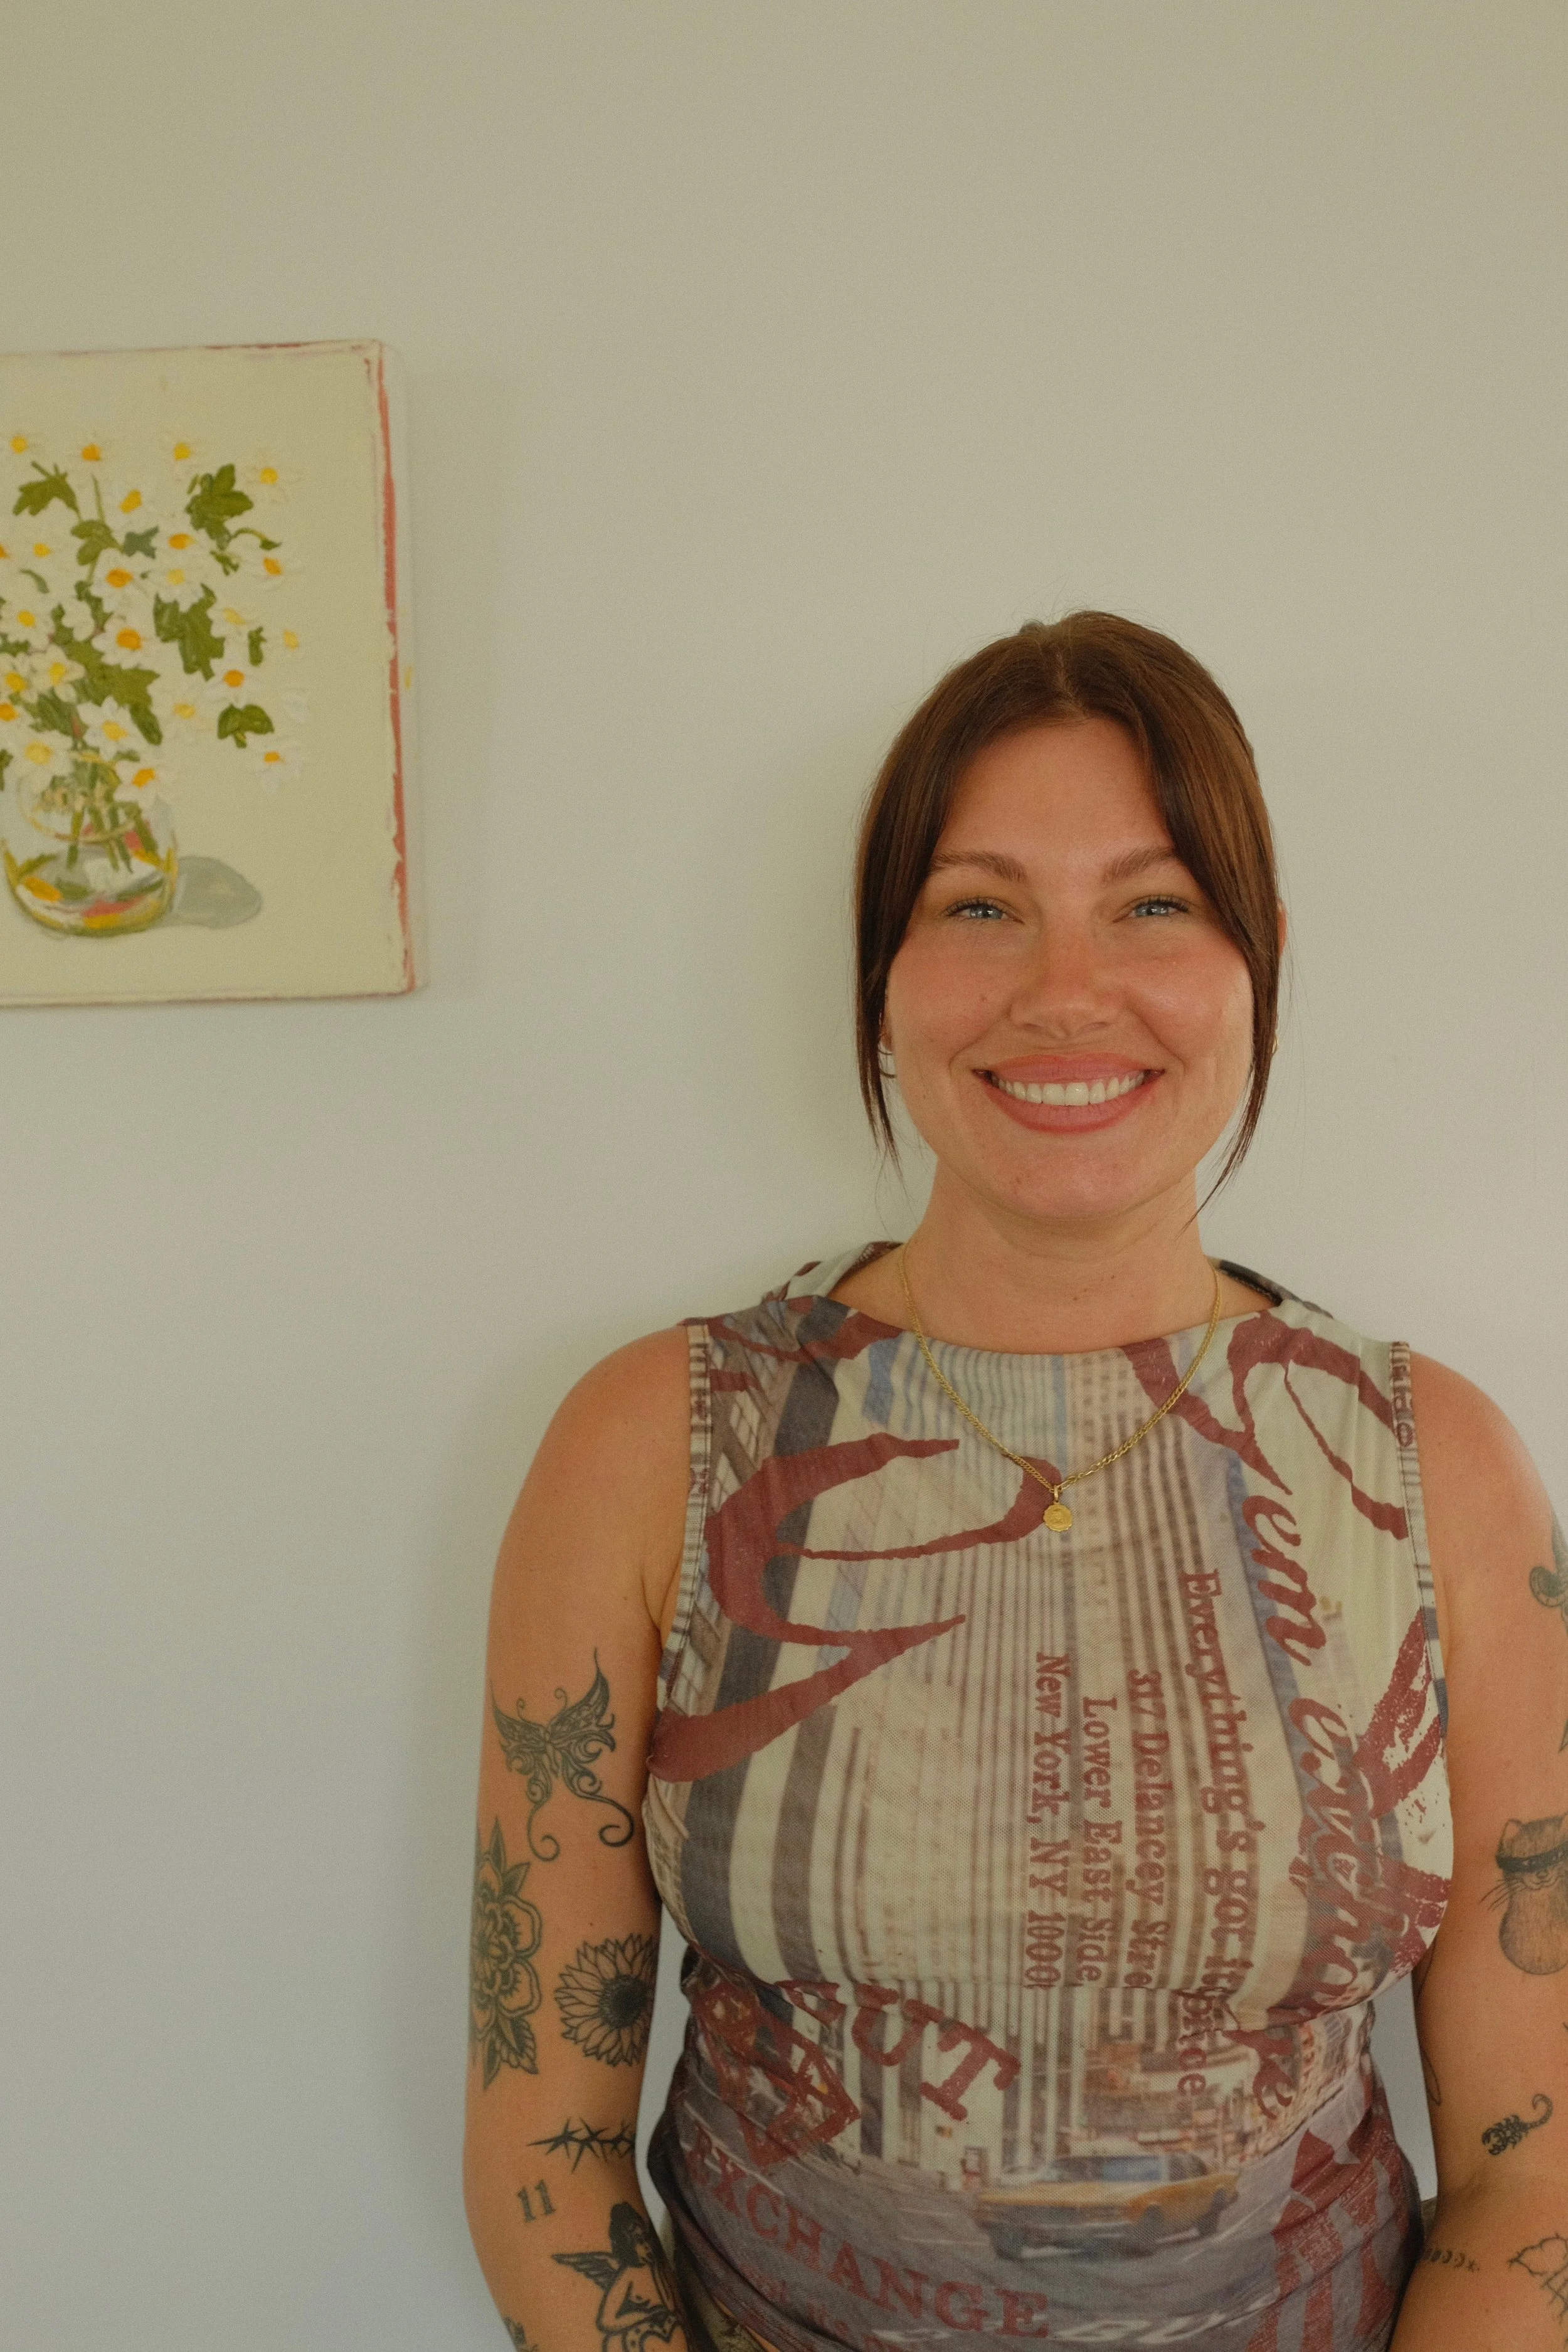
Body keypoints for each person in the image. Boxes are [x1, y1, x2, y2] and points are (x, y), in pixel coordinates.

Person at [464, 614, 1567, 2352]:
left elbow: (1535, 2177)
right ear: (882, 973)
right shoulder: (652, 1444)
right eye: (979, 907)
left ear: (1258, 962)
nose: (1064, 991)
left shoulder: (1439, 1471)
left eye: (1154, 904)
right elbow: (546, 2144)